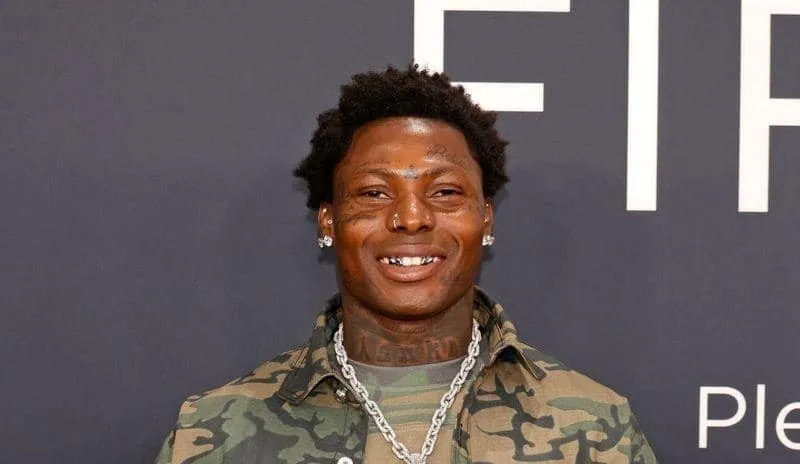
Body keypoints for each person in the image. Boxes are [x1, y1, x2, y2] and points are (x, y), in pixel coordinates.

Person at [156, 65, 658, 464]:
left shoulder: (595, 429)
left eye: (445, 192)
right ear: (329, 222)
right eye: (374, 193)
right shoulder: (215, 433)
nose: (412, 218)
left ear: (485, 218)